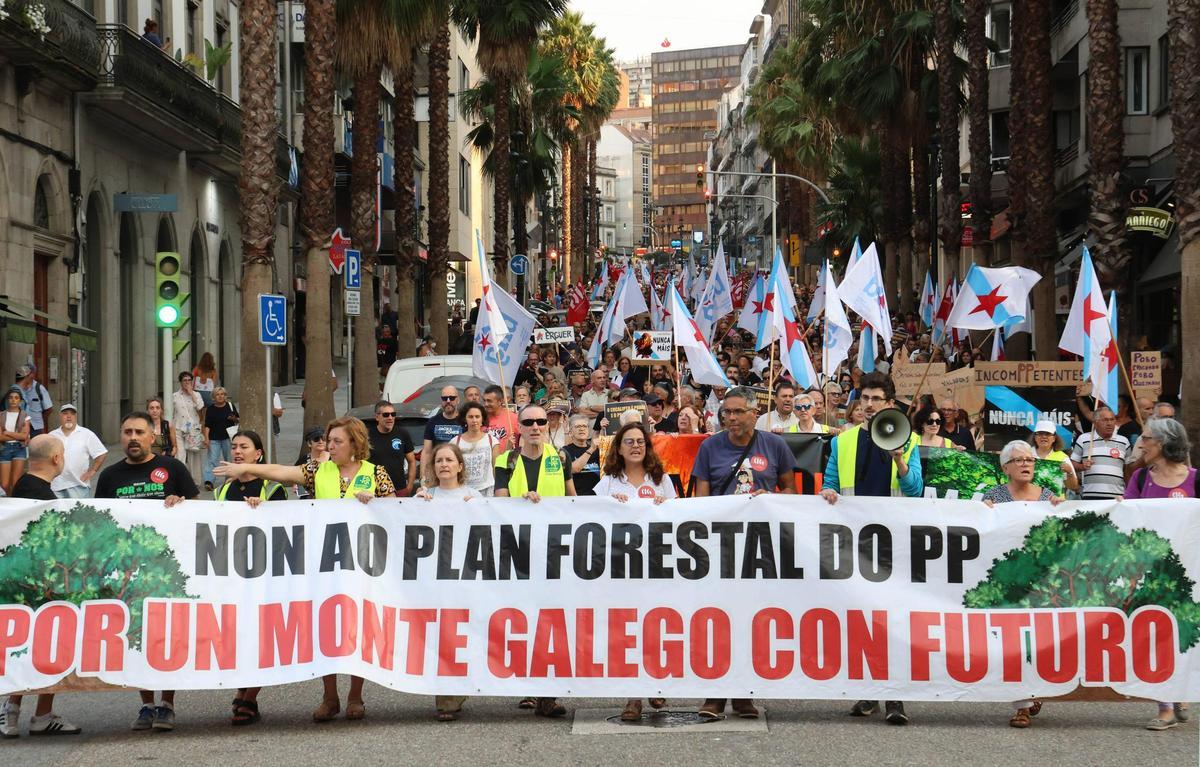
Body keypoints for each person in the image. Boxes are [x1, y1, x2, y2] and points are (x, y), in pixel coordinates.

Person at [213, 417, 395, 722]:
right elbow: (281, 472)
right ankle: (329, 697)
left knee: (358, 626)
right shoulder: (317, 470)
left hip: (362, 563)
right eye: (329, 440)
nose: (329, 446)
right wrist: (244, 468)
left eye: (337, 441)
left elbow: (395, 512)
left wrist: (375, 501)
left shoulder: (376, 473)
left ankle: (355, 695)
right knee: (326, 627)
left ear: (355, 443)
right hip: (324, 562)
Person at [820, 372, 922, 725]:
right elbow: (830, 484)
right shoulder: (843, 442)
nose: (868, 404)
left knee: (893, 619)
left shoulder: (909, 440)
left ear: (890, 404)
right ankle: (868, 691)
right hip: (856, 542)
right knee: (862, 619)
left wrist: (900, 460)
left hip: (894, 542)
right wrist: (827, 492)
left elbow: (915, 490)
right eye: (864, 398)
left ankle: (895, 696)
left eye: (876, 399)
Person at [692, 387, 796, 721]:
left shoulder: (775, 445)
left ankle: (744, 693)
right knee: (719, 620)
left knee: (751, 619)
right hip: (721, 547)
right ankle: (715, 694)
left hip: (759, 548)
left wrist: (771, 498)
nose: (731, 418)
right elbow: (700, 500)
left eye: (738, 412)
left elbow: (791, 490)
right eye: (727, 412)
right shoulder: (710, 447)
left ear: (755, 413)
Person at [96, 411, 200, 731]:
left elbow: (199, 510)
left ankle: (167, 703)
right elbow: (102, 521)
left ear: (152, 437)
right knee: (135, 636)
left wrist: (180, 502)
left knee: (167, 635)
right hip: (128, 573)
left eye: (139, 432)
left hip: (168, 568)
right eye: (127, 432)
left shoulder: (173, 469)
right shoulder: (110, 477)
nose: (133, 438)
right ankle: (146, 704)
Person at [494, 404, 575, 718]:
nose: (536, 426)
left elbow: (573, 500)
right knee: (523, 619)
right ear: (520, 427)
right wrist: (521, 503)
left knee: (551, 620)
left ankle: (548, 694)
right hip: (519, 550)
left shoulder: (561, 458)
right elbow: (499, 501)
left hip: (553, 550)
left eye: (541, 421)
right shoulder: (506, 460)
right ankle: (528, 685)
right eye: (528, 422)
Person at [1, 434, 82, 737]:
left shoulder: (22, 488)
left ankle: (13, 712)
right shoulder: (42, 496)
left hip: (25, 582)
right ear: (57, 459)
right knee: (50, 647)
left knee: (27, 645)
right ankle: (36, 714)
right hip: (43, 586)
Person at [594, 422, 676, 721]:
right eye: (628, 441)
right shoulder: (607, 483)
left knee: (654, 627)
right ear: (618, 448)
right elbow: (591, 520)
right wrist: (609, 506)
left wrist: (665, 505)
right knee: (628, 630)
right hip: (622, 568)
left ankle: (656, 683)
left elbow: (679, 517)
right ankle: (633, 697)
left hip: (655, 565)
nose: (635, 446)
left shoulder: (662, 480)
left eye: (640, 441)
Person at [1122, 416, 1195, 731]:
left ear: (1163, 443)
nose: (1141, 443)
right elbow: (1127, 521)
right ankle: (1165, 706)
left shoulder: (1195, 479)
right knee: (1155, 633)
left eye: (1146, 438)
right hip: (1151, 572)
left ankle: (1183, 690)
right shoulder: (1140, 479)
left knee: (1185, 633)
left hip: (1191, 572)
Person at [212, 430, 286, 726]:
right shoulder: (222, 490)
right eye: (234, 447)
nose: (237, 452)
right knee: (239, 637)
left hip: (265, 576)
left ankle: (250, 696)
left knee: (261, 637)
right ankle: (242, 691)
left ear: (259, 454)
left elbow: (287, 528)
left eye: (244, 447)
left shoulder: (272, 488)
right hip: (233, 576)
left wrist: (263, 511)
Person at [1070, 405, 1130, 500]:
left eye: (1112, 419)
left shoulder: (1124, 441)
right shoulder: (1084, 439)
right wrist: (1082, 466)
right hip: (1090, 495)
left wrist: (1129, 494)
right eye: (1105, 420)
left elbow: (1128, 470)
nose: (1109, 423)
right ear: (1095, 422)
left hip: (1117, 497)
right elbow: (1072, 464)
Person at [47, 403, 107, 499]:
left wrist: (92, 471)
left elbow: (101, 453)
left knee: (78, 509)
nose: (69, 416)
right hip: (55, 486)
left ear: (76, 417)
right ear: (60, 416)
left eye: (72, 414)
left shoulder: (87, 434)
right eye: (65, 413)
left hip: (79, 485)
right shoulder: (52, 435)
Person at [982, 441, 1064, 505]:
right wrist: (983, 510)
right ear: (1005, 468)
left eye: (1029, 460)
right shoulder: (992, 496)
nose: (1026, 464)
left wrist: (1060, 508)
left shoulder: (1048, 496)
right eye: (1018, 460)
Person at [450, 401, 502, 496]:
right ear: (465, 419)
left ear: (482, 419)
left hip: (487, 492)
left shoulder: (492, 441)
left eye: (477, 416)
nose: (474, 420)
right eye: (470, 417)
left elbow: (497, 470)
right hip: (462, 492)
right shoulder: (454, 442)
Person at [368, 400, 415, 496]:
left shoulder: (402, 433)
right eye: (386, 415)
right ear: (377, 417)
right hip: (374, 490)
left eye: (393, 414)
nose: (390, 417)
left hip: (399, 489)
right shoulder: (367, 436)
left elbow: (412, 461)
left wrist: (410, 486)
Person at [421, 385, 465, 480]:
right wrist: (423, 477)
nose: (448, 401)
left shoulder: (464, 421)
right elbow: (426, 451)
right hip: (438, 473)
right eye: (445, 398)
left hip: (459, 473)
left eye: (452, 398)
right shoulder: (432, 422)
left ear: (458, 400)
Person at [173, 371, 206, 485]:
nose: (187, 382)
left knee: (194, 455)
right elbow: (172, 413)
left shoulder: (197, 395)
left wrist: (191, 393)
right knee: (180, 455)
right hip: (179, 428)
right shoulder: (175, 396)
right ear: (180, 382)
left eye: (189, 380)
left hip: (193, 429)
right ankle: (180, 480)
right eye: (184, 380)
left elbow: (200, 407)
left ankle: (195, 481)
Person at [202, 387, 238, 491]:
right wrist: (206, 438)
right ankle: (209, 481)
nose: (220, 396)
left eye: (222, 394)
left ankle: (230, 480)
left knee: (229, 459)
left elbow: (238, 419)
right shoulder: (210, 409)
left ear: (225, 396)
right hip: (214, 438)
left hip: (228, 438)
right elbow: (207, 425)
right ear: (213, 397)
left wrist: (233, 418)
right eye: (217, 394)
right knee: (212, 460)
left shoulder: (230, 406)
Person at [1029, 420, 1079, 493]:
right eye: (1040, 433)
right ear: (1035, 437)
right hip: (1028, 499)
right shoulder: (1025, 454)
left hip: (1055, 500)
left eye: (1048, 434)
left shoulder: (1063, 457)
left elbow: (1073, 487)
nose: (1044, 437)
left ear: (1054, 438)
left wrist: (1069, 472)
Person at [0, 386, 31, 496]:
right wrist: (19, 436)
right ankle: (7, 501)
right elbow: (0, 437)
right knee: (4, 484)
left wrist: (7, 432)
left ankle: (13, 502)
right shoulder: (1, 415)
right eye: (11, 397)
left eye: (16, 398)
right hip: (4, 448)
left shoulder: (25, 416)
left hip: (19, 448)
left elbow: (24, 436)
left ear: (20, 401)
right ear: (7, 400)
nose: (13, 400)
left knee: (15, 483)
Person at [561, 414, 601, 496]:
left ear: (588, 431)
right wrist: (591, 449)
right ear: (570, 432)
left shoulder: (597, 451)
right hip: (576, 498)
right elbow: (573, 469)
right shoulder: (565, 451)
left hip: (597, 498)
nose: (582, 429)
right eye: (577, 426)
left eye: (584, 426)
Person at [14, 365, 52, 436]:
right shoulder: (18, 388)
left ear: (33, 374)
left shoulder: (39, 388)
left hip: (36, 428)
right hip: (20, 427)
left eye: (30, 373)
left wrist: (38, 421)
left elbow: (49, 409)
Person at [293, 427, 327, 499]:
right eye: (316, 439)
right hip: (307, 500)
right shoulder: (303, 460)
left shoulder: (333, 458)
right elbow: (294, 477)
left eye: (323, 439)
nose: (320, 441)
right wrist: (295, 486)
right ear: (309, 443)